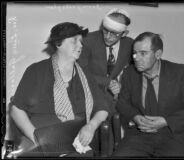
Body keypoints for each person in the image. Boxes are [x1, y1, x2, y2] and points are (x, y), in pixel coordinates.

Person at [9, 22, 109, 157]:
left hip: (76, 140)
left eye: (81, 41)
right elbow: (16, 109)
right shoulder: (36, 71)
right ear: (58, 44)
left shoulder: (86, 75)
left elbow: (102, 108)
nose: (80, 45)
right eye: (74, 41)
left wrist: (90, 126)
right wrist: (38, 139)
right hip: (39, 139)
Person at [113, 32, 184, 157]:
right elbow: (122, 103)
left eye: (143, 53)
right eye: (135, 53)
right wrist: (135, 117)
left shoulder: (180, 72)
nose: (136, 58)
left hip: (173, 135)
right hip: (139, 135)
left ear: (158, 54)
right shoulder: (129, 73)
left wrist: (165, 121)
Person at [78, 8, 134, 113]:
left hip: (114, 99)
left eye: (114, 33)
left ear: (124, 33)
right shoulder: (88, 40)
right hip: (87, 96)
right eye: (105, 30)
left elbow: (135, 71)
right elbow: (79, 72)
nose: (108, 37)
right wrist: (108, 82)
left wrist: (122, 85)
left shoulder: (130, 44)